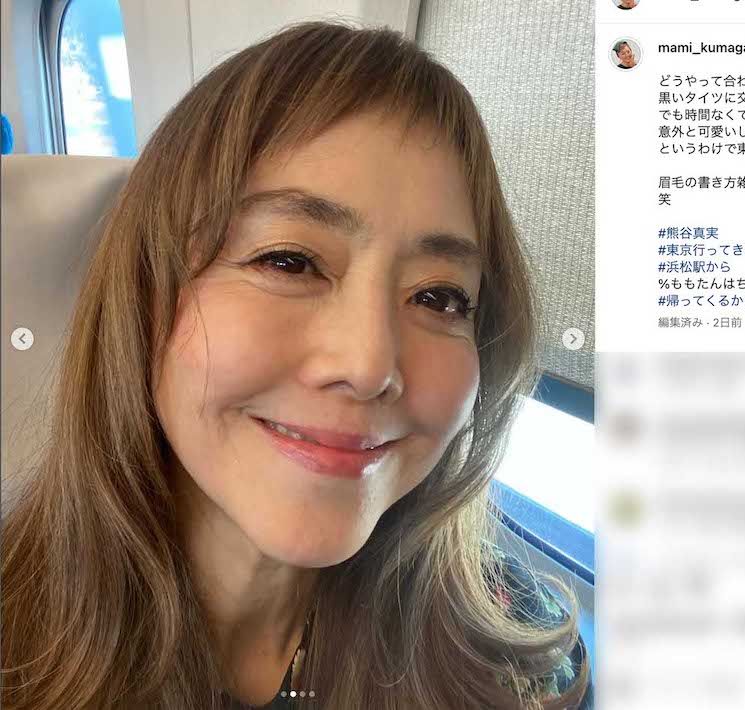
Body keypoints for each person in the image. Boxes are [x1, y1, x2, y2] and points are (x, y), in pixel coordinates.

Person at [0, 22, 590, 710]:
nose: (368, 366)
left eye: (438, 298)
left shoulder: (524, 664)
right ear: (144, 297)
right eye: (289, 261)